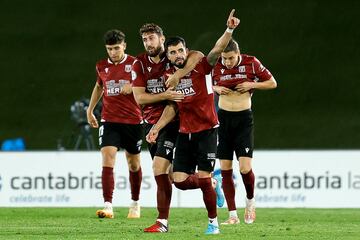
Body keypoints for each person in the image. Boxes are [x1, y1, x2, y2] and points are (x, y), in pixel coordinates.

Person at [146, 9, 240, 235]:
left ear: (186, 51)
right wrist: (156, 129)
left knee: (204, 175)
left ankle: (213, 224)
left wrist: (229, 29)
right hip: (184, 133)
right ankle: (213, 185)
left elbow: (215, 49)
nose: (177, 55)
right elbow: (172, 107)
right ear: (167, 56)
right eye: (173, 52)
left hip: (207, 130)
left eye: (180, 50)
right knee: (178, 180)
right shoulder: (169, 78)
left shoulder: (201, 65)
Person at [132, 23, 204, 233]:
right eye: (145, 39)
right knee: (174, 178)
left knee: (158, 168)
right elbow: (140, 98)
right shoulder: (139, 64)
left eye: (152, 38)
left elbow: (198, 54)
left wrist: (178, 75)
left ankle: (162, 222)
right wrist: (165, 95)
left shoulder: (172, 57)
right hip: (151, 123)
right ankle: (209, 180)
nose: (148, 43)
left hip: (173, 122)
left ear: (162, 39)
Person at [212, 38, 277, 224]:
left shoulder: (251, 62)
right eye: (224, 58)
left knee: (244, 167)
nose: (227, 62)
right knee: (225, 168)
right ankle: (232, 215)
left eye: (231, 58)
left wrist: (252, 85)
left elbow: (272, 83)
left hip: (243, 120)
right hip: (223, 120)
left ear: (238, 54)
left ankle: (250, 202)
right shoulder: (215, 65)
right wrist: (215, 87)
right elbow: (202, 84)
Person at [86, 29, 143, 219]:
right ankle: (108, 205)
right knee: (108, 158)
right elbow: (99, 86)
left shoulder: (136, 64)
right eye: (109, 49)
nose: (113, 52)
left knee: (133, 164)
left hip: (133, 121)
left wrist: (134, 87)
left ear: (124, 46)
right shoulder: (101, 66)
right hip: (109, 120)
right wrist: (90, 109)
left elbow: (147, 88)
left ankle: (135, 203)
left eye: (116, 48)